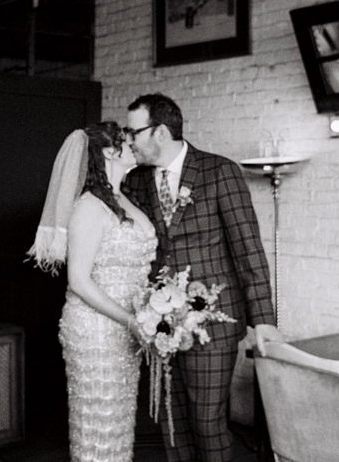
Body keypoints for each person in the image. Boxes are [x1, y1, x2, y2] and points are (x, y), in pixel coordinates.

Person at [123, 93, 283, 462]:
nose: (130, 141)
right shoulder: (137, 180)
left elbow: (247, 247)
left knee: (207, 422)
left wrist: (264, 320)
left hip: (212, 320)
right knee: (172, 420)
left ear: (161, 132)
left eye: (134, 132)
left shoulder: (218, 171)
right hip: (161, 322)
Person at [27, 121, 157, 462]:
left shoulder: (123, 198)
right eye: (127, 140)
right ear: (108, 152)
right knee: (98, 420)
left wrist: (153, 310)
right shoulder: (89, 206)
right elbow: (79, 281)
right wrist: (131, 320)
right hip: (96, 329)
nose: (134, 144)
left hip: (127, 326)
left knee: (120, 419)